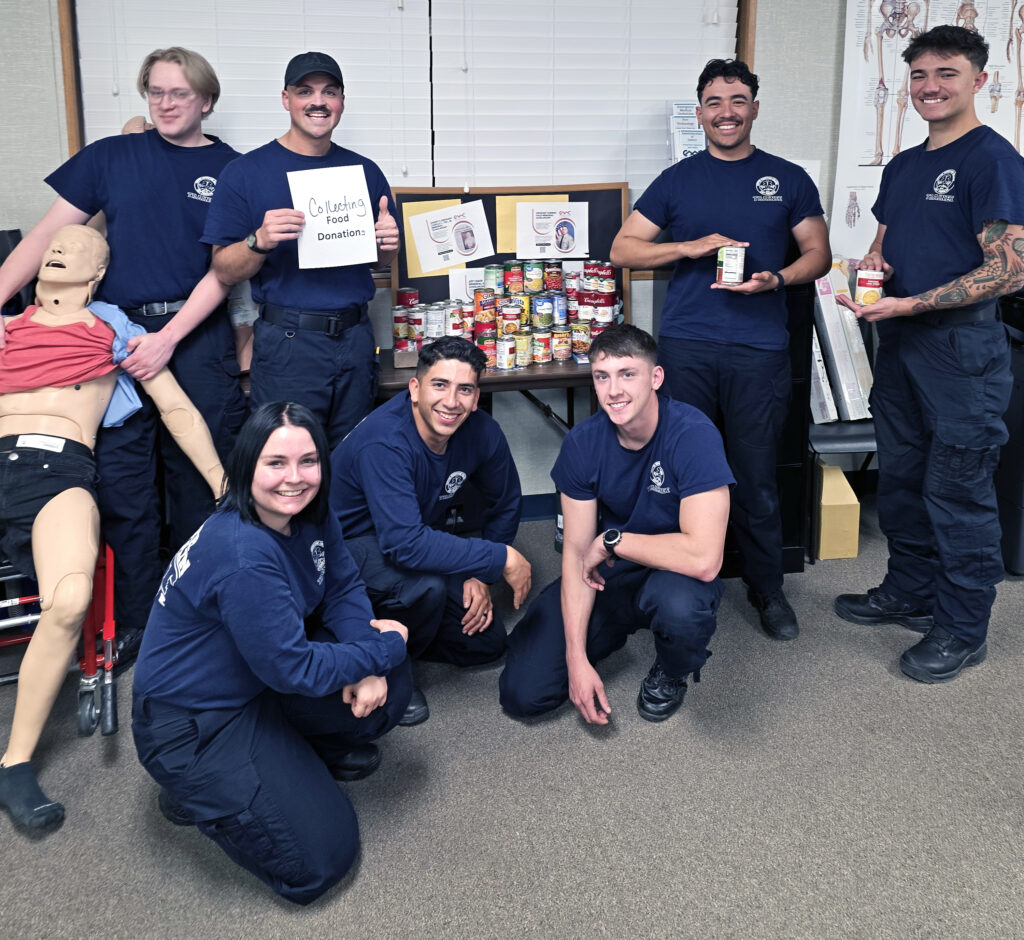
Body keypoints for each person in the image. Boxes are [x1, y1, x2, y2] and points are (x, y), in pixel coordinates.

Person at [0, 47, 247, 662]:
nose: (165, 104)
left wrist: (173, 338)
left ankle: (200, 614)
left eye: (179, 94)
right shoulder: (111, 157)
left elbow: (229, 269)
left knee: (199, 484)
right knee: (127, 491)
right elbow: (45, 237)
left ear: (205, 101)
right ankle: (135, 622)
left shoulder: (234, 169)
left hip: (195, 337)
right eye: (155, 93)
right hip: (110, 341)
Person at [132, 401, 412, 905]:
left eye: (308, 461)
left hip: (256, 681)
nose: (294, 479)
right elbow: (295, 667)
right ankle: (196, 791)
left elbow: (342, 586)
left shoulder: (308, 514)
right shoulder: (242, 553)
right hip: (193, 724)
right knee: (323, 859)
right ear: (247, 467)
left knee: (390, 691)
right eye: (275, 463)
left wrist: (366, 653)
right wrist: (381, 650)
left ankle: (288, 760)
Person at [0, 226, 224, 833]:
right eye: (55, 245)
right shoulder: (6, 326)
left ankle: (15, 762)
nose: (60, 248)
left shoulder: (115, 332)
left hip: (60, 467)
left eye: (79, 246)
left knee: (70, 598)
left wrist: (220, 481)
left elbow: (175, 407)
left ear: (97, 275)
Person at [609, 58, 831, 641]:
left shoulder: (787, 178)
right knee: (679, 470)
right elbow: (624, 250)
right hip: (686, 350)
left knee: (756, 474)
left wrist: (776, 279)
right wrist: (688, 247)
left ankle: (767, 587)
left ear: (755, 107)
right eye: (714, 102)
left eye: (737, 100)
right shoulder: (678, 179)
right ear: (700, 111)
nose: (726, 112)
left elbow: (819, 255)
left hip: (758, 350)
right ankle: (677, 580)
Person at [833, 25, 1024, 683]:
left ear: (978, 79)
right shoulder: (905, 164)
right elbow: (885, 245)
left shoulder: (991, 160)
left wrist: (912, 304)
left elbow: (1010, 270)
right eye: (918, 75)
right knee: (905, 481)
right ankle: (908, 590)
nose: (930, 87)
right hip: (901, 349)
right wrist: (872, 270)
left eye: (946, 73)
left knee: (958, 490)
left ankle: (963, 629)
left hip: (961, 354)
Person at [499, 325, 734, 724]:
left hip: (673, 571)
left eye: (628, 374)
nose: (613, 391)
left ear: (655, 378)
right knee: (523, 694)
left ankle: (671, 669)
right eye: (602, 376)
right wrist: (576, 659)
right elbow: (576, 555)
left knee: (682, 609)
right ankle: (600, 638)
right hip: (608, 576)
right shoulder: (584, 443)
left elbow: (705, 558)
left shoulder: (693, 435)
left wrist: (613, 541)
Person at [202, 51, 400, 447]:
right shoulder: (246, 172)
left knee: (353, 459)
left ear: (341, 102)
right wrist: (259, 241)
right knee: (287, 457)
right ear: (286, 99)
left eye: (330, 92)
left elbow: (379, 261)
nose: (318, 101)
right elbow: (223, 269)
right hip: (289, 343)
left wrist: (388, 246)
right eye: (305, 91)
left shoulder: (365, 171)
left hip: (356, 337)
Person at [331, 336, 531, 725]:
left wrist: (480, 574)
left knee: (486, 644)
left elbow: (506, 502)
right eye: (439, 385)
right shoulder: (386, 442)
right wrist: (498, 558)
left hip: (405, 541)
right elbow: (404, 545)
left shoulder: (482, 431)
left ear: (476, 399)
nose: (451, 402)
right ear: (415, 389)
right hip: (342, 554)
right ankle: (385, 658)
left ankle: (401, 628)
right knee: (425, 587)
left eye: (465, 390)